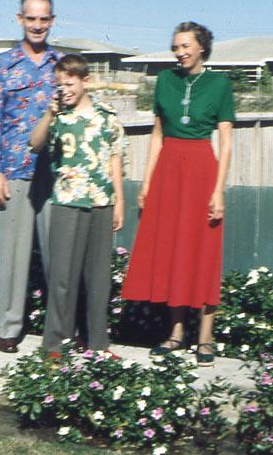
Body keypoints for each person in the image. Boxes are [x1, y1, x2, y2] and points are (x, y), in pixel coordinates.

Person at [121, 21, 234, 365]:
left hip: (201, 170)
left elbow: (226, 141)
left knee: (203, 250)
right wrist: (147, 181)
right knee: (173, 250)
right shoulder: (166, 81)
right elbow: (157, 135)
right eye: (175, 47)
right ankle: (175, 334)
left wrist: (219, 191)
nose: (180, 52)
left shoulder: (220, 84)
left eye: (185, 46)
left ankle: (205, 337)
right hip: (168, 170)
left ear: (202, 47)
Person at [29, 54, 125, 355]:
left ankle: (97, 343)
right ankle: (56, 345)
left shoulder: (107, 117)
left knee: (98, 278)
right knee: (62, 277)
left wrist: (119, 202)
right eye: (59, 84)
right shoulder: (57, 117)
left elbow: (115, 161)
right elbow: (34, 143)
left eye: (70, 83)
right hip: (68, 201)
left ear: (86, 81)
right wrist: (49, 114)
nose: (64, 89)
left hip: (101, 201)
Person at [0, 0, 59, 353]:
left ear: (52, 21)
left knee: (60, 254)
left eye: (44, 19)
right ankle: (9, 329)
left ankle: (59, 331)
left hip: (57, 175)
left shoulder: (62, 65)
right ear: (20, 19)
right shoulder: (2, 65)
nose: (38, 25)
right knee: (12, 256)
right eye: (32, 19)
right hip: (14, 170)